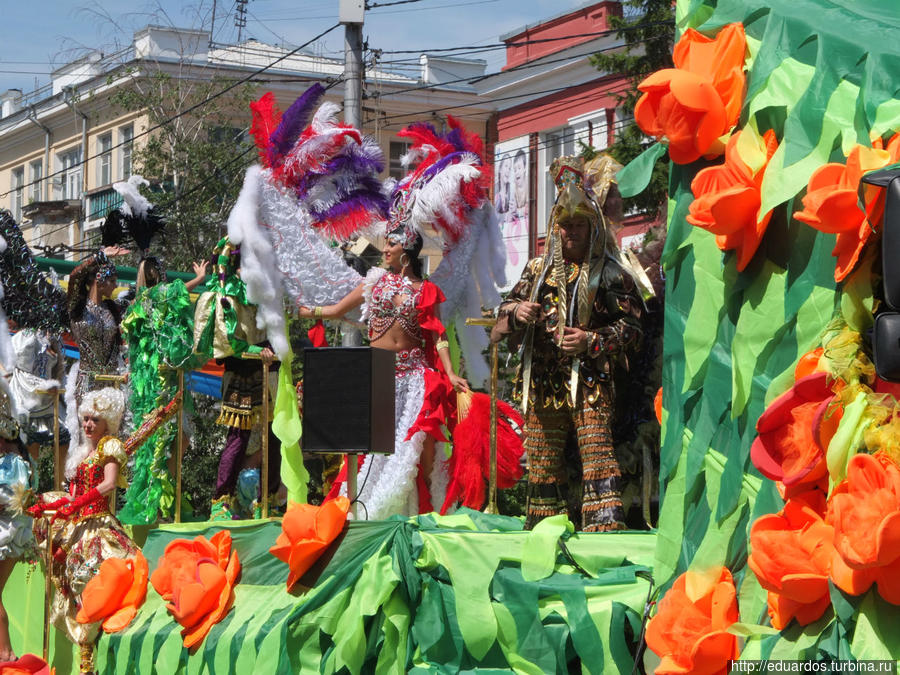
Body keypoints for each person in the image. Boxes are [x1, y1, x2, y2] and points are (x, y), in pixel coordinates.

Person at [491, 154, 643, 532]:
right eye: (565, 225)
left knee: (597, 455)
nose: (571, 231)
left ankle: (603, 534)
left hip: (589, 384)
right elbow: (501, 314)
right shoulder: (535, 270)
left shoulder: (609, 272)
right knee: (541, 462)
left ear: (592, 228)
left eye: (578, 224)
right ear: (555, 229)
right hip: (542, 384)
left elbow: (635, 328)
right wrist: (517, 312)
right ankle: (545, 532)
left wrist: (591, 340)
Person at [299, 224, 470, 519]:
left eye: (391, 244)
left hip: (415, 379)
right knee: (368, 450)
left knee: (418, 451)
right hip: (376, 377)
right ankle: (362, 509)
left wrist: (451, 373)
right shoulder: (375, 281)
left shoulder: (426, 290)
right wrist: (307, 311)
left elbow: (438, 336)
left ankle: (425, 513)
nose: (386, 249)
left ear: (407, 249)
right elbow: (338, 310)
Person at [28, 387, 137, 674]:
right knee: (74, 591)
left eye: (95, 420)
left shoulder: (109, 446)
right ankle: (85, 662)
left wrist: (78, 504)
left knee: (94, 590)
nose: (88, 425)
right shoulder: (83, 450)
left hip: (99, 528)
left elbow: (109, 484)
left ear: (107, 423)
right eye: (86, 419)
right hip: (79, 528)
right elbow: (74, 494)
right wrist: (51, 506)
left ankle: (96, 661)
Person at [193, 237, 281, 520]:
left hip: (267, 374)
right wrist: (258, 350)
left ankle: (267, 499)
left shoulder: (264, 294)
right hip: (241, 374)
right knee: (238, 438)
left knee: (274, 437)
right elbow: (228, 341)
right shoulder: (227, 296)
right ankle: (221, 501)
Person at [66, 248, 129, 404]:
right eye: (113, 281)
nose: (115, 286)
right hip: (88, 384)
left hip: (113, 384)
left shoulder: (113, 309)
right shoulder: (78, 307)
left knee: (115, 428)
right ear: (99, 279)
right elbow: (75, 276)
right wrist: (99, 257)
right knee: (89, 427)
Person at [0, 386, 36, 663]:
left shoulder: (13, 463)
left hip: (9, 532)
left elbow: (14, 498)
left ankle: (6, 653)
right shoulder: (11, 460)